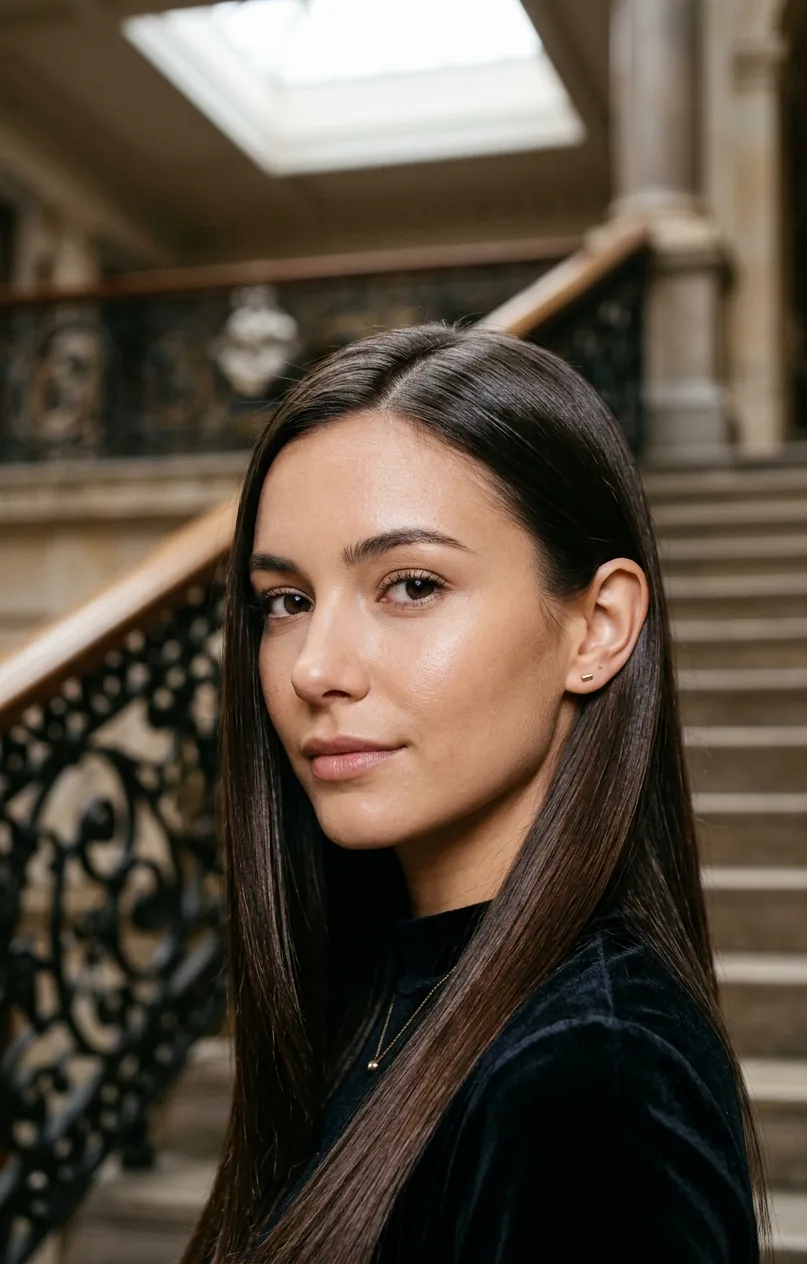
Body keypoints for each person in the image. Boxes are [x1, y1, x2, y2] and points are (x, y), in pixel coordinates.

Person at [181, 323, 766, 1264]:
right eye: (285, 601)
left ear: (597, 628)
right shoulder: (385, 985)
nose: (316, 668)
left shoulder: (590, 1082)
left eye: (409, 585)